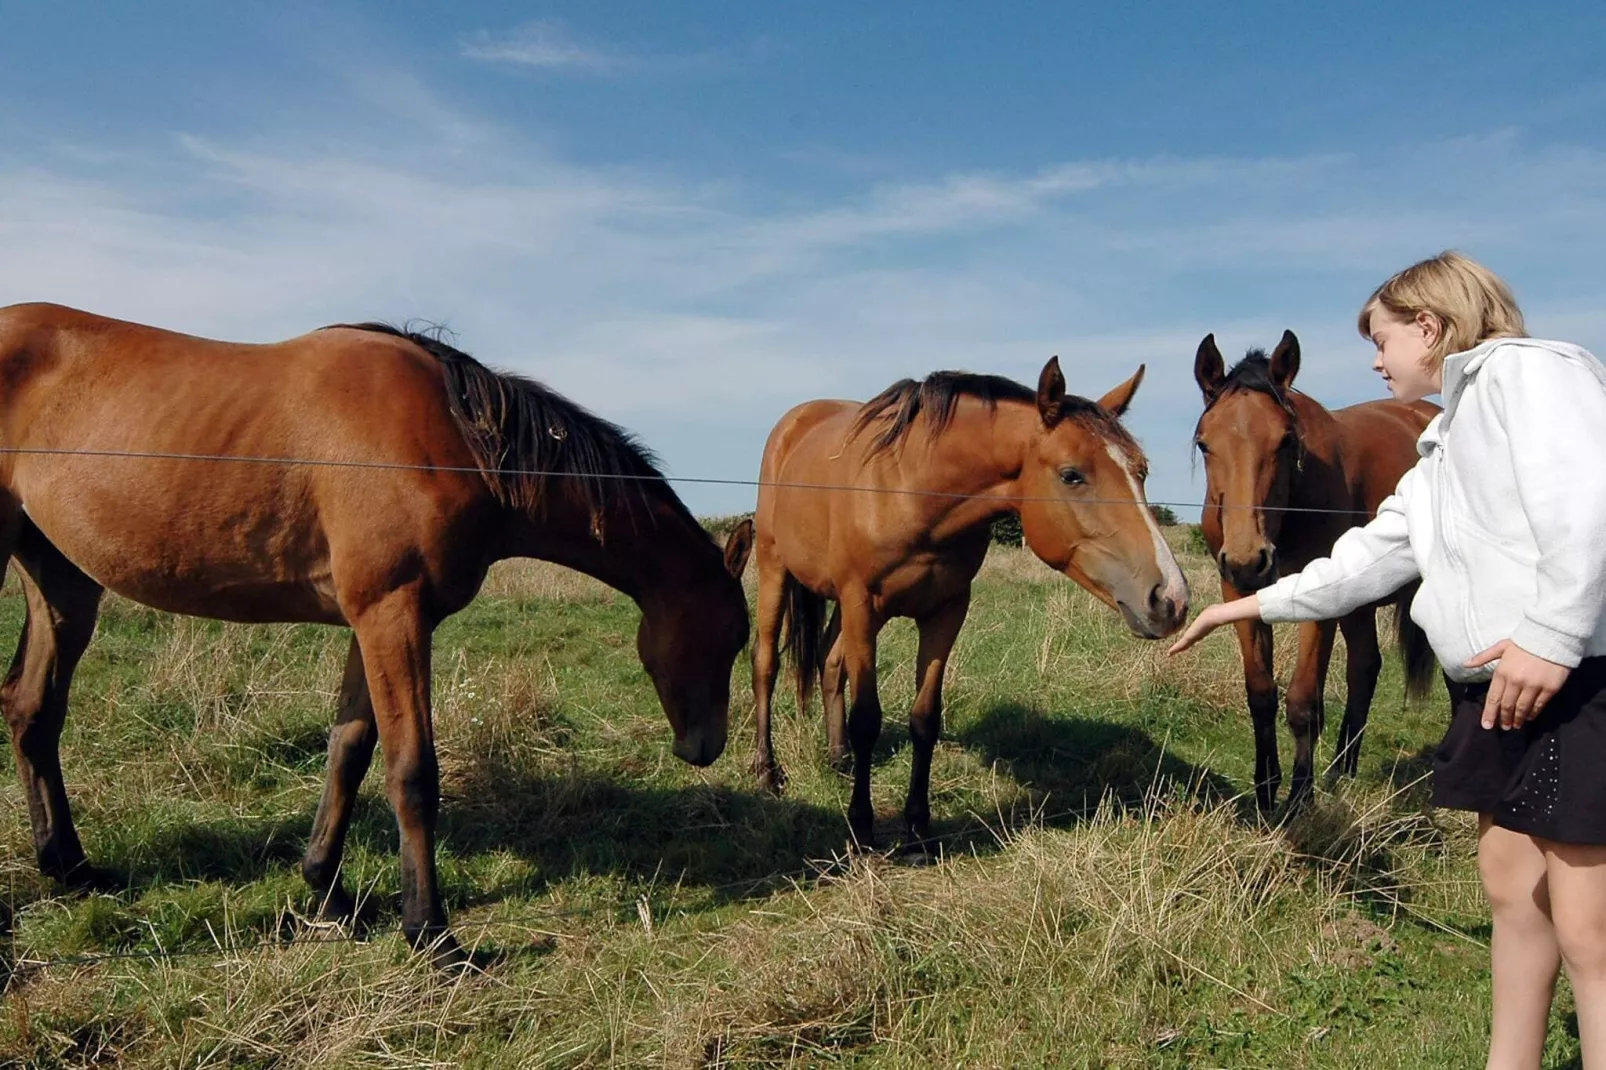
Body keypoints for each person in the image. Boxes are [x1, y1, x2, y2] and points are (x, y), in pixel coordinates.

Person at [1169, 251, 1606, 1070]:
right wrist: (1248, 603)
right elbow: (1371, 555)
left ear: (1431, 327)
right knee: (1513, 895)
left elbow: (1593, 497)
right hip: (1491, 686)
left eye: (1382, 338)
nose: (1375, 360)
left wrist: (1550, 637)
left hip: (1572, 680)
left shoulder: (1532, 377)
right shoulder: (1445, 434)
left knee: (1589, 925)